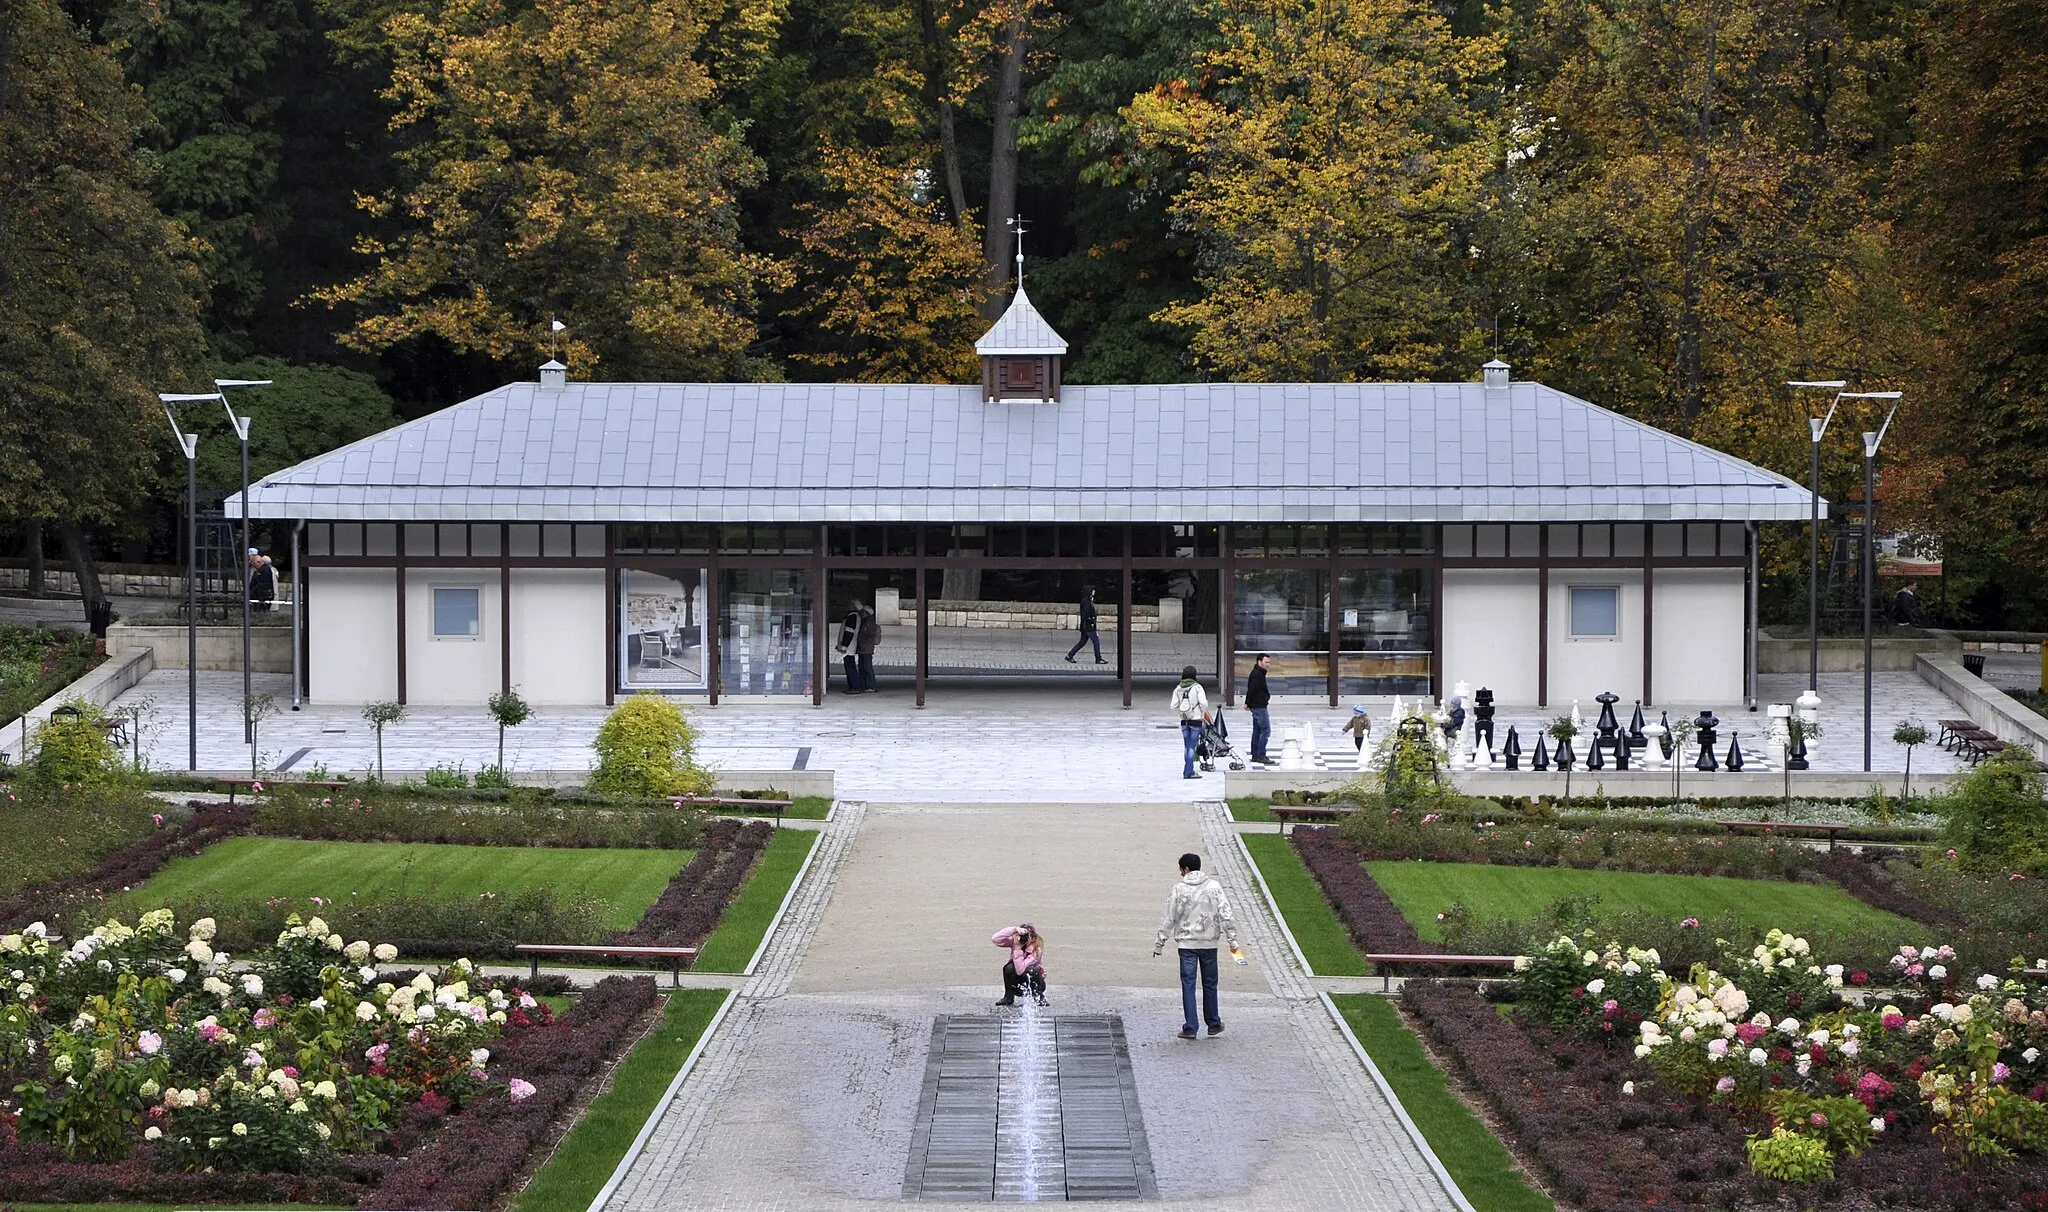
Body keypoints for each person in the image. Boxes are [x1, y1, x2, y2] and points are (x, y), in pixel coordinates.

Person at [1152, 853, 1242, 1040]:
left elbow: (1170, 917)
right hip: (1209, 943)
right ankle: (1213, 1023)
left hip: (1186, 944)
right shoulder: (1214, 886)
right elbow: (1226, 914)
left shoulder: (1179, 889)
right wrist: (1232, 941)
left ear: (1185, 869)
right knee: (1210, 984)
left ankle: (1191, 1027)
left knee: (1188, 984)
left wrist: (1160, 941)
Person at [992, 923, 1047, 1007]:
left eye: (1027, 937)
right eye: (1021, 936)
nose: (1023, 939)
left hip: (1034, 983)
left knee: (1031, 970)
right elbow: (995, 939)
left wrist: (1017, 948)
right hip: (1017, 983)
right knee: (1009, 968)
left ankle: (1039, 996)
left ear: (1033, 938)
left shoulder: (1036, 951)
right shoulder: (1016, 941)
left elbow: (1020, 970)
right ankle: (1008, 996)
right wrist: (1015, 930)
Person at [1170, 665, 1209, 779]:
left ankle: (1188, 769)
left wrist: (1182, 712)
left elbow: (1173, 706)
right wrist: (1201, 712)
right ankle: (1188, 771)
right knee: (1192, 746)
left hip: (1184, 721)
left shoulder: (1178, 688)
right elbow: (1203, 703)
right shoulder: (1197, 687)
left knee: (1187, 746)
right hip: (1195, 720)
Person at [1245, 653, 1273, 765]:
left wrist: (1249, 703)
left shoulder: (1258, 673)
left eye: (1269, 662)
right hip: (1259, 706)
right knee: (1266, 731)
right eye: (1266, 662)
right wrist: (1247, 702)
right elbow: (1252, 690)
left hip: (1257, 705)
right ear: (1259, 662)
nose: (1268, 665)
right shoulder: (1258, 674)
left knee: (1257, 730)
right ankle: (1261, 755)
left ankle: (1255, 754)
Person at [1066, 586, 1106, 663]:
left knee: (1082, 642)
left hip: (1086, 625)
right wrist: (1091, 620)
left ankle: (1070, 655)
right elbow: (1085, 614)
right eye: (1092, 590)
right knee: (1096, 641)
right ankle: (1098, 658)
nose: (1094, 592)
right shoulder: (1086, 601)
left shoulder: (1087, 600)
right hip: (1088, 625)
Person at [835, 604, 864, 693]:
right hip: (850, 645)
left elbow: (849, 632)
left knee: (850, 667)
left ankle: (855, 686)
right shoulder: (856, 616)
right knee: (849, 666)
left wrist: (844, 645)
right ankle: (852, 686)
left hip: (849, 646)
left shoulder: (852, 617)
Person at [855, 603, 881, 691]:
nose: (861, 614)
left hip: (866, 648)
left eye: (863, 612)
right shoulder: (866, 622)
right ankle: (863, 685)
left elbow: (867, 635)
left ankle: (871, 686)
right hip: (863, 647)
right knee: (862, 667)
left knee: (867, 667)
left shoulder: (869, 623)